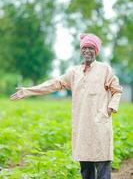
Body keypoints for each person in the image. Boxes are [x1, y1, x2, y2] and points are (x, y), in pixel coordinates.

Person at [10, 33, 123, 179]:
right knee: (86, 167)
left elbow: (117, 90)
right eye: (85, 48)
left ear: (96, 51)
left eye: (91, 48)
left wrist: (108, 110)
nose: (87, 51)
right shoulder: (74, 72)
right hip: (82, 126)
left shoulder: (104, 69)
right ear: (81, 51)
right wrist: (28, 91)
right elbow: (54, 83)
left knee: (103, 164)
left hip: (100, 125)